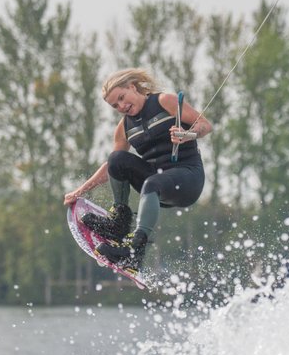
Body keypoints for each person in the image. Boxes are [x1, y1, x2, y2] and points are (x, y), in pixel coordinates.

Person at [63, 68, 213, 273]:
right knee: (116, 159)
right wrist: (79, 192)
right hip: (157, 184)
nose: (122, 106)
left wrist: (188, 134)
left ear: (132, 87)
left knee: (151, 182)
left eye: (122, 98)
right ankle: (119, 224)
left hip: (188, 179)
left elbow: (205, 125)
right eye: (116, 105)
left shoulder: (165, 102)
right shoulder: (124, 127)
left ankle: (135, 252)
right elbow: (111, 169)